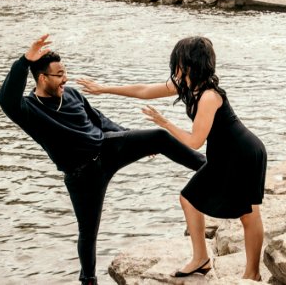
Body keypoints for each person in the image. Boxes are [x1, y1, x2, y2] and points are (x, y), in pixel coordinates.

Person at [0, 34, 206, 285]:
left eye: (65, 72)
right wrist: (24, 61)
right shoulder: (29, 109)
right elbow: (6, 99)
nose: (65, 79)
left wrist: (133, 139)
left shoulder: (72, 94)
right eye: (60, 74)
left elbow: (101, 121)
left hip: (107, 149)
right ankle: (88, 281)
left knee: (158, 137)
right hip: (82, 175)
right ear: (42, 78)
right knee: (88, 233)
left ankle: (209, 167)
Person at [77, 36, 267, 281]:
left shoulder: (209, 96)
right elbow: (144, 91)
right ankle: (201, 259)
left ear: (189, 63)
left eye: (178, 60)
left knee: (249, 214)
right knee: (189, 199)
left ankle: (253, 273)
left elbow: (194, 141)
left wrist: (164, 123)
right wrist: (103, 88)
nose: (174, 65)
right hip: (225, 154)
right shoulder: (187, 86)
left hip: (242, 154)